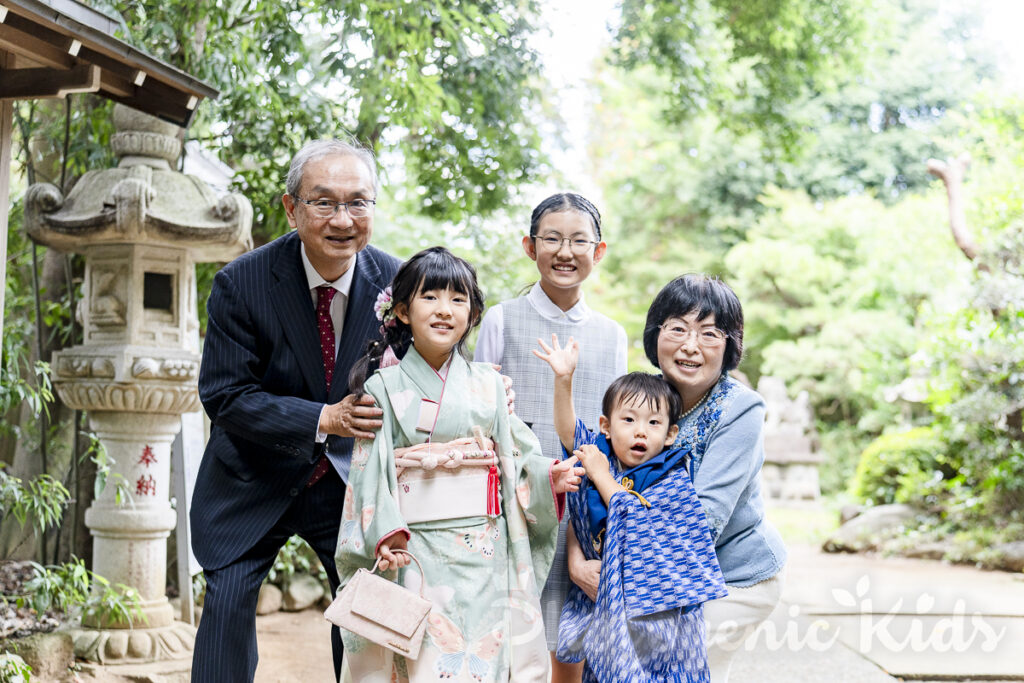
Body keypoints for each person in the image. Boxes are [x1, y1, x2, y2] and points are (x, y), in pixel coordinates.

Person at [190, 139, 401, 683]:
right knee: (227, 603)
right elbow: (225, 395)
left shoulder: (399, 285)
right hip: (252, 472)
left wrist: (481, 390)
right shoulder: (242, 282)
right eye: (324, 202)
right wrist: (322, 419)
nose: (343, 219)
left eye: (358, 202)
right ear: (291, 208)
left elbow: (434, 368)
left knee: (363, 610)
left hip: (348, 480)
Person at [335, 246, 585, 683]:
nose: (444, 309)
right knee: (421, 662)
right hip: (411, 550)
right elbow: (368, 472)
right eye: (430, 297)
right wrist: (385, 534)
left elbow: (515, 452)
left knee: (479, 660)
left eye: (457, 299)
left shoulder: (490, 384)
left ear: (473, 315)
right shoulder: (382, 388)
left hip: (483, 551)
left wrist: (547, 476)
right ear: (403, 311)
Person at [474, 192, 627, 682]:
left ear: (598, 251)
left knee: (571, 652)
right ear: (529, 246)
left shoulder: (612, 335)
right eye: (552, 239)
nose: (565, 252)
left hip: (584, 518)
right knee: (509, 650)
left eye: (579, 241)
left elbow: (617, 440)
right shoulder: (501, 319)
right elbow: (480, 421)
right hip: (514, 509)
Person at [535, 336, 727, 682]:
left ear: (670, 434)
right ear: (606, 427)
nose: (641, 432)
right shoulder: (600, 454)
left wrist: (601, 476)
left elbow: (638, 522)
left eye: (654, 423)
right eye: (629, 420)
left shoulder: (671, 477)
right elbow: (567, 432)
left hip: (660, 616)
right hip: (608, 608)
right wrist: (564, 380)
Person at [643, 274, 788, 683]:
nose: (691, 346)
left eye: (709, 333)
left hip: (735, 578)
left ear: (729, 346)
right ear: (655, 335)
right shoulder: (642, 398)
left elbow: (704, 520)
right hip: (671, 576)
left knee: (672, 669)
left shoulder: (741, 409)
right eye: (677, 328)